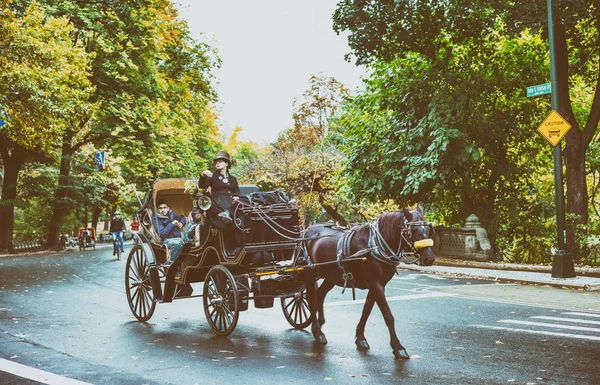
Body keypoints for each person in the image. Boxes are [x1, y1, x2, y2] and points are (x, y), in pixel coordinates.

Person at [198, 150, 240, 228]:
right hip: (217, 202)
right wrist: (203, 175)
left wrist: (236, 196)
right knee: (209, 204)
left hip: (230, 202)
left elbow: (236, 191)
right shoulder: (212, 176)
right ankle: (225, 215)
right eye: (216, 162)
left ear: (226, 164)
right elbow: (202, 186)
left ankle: (228, 213)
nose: (217, 163)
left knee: (243, 201)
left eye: (220, 161)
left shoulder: (233, 179)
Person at [151, 199, 186, 263]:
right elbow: (162, 234)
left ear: (168, 208)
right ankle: (172, 262)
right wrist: (172, 224)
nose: (163, 210)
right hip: (165, 240)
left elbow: (182, 217)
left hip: (177, 238)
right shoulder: (155, 219)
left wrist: (181, 223)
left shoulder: (171, 214)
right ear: (157, 210)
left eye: (164, 207)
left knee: (187, 241)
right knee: (177, 244)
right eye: (160, 208)